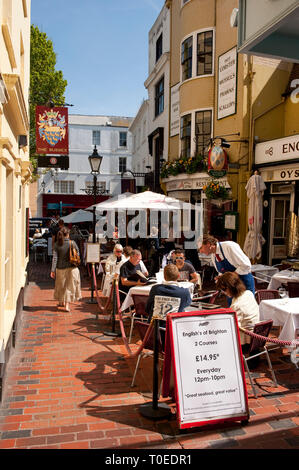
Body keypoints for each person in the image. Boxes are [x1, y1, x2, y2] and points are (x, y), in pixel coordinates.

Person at [215, 272, 260, 362]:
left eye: (224, 289)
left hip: (245, 342)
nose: (224, 292)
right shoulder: (248, 294)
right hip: (256, 338)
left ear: (230, 287)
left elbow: (231, 328)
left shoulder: (236, 305)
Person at [50, 226, 81, 312]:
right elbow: (78, 253)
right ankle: (67, 305)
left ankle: (61, 302)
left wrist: (52, 270)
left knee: (61, 286)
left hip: (60, 268)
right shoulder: (73, 243)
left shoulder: (57, 244)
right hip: (72, 268)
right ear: (68, 234)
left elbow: (55, 258)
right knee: (69, 287)